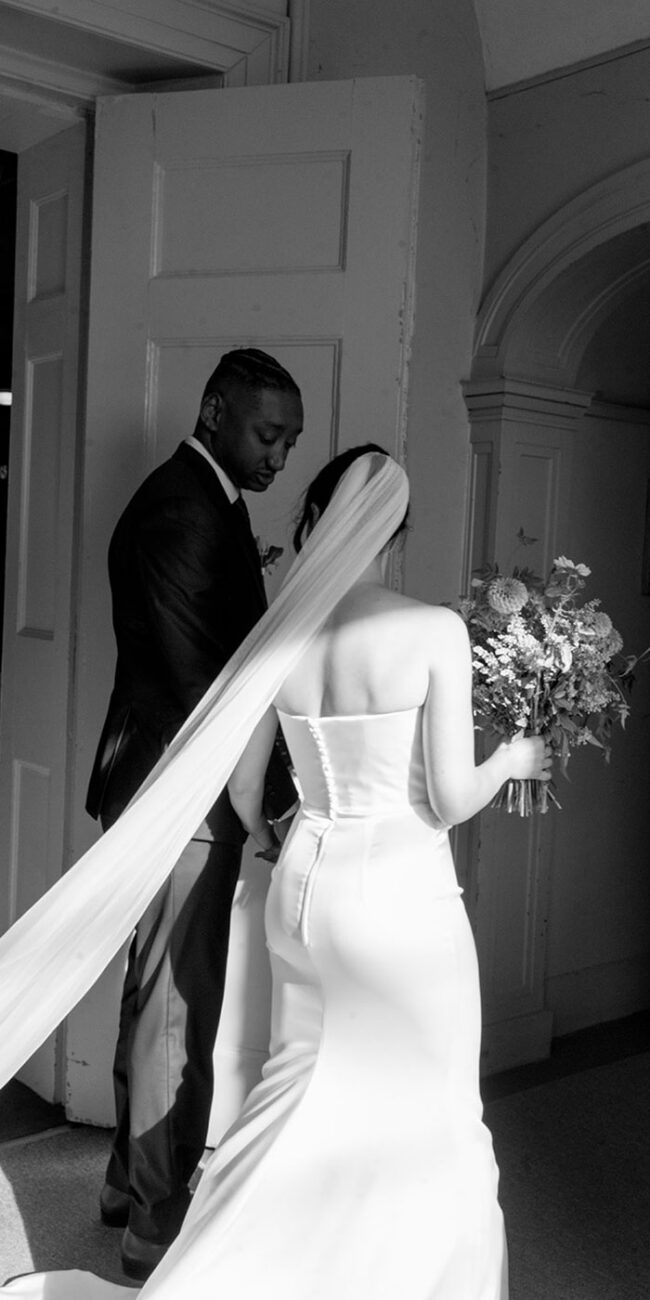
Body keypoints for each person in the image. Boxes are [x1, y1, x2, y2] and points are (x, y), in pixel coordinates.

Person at [0, 446, 551, 1300]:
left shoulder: (280, 638)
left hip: (304, 889)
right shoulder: (433, 629)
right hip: (399, 899)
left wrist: (282, 834)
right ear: (394, 536)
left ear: (316, 523)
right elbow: (445, 799)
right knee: (425, 1104)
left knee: (292, 1095)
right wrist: (513, 757)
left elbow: (246, 782)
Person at [85, 348, 303, 1278]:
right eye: (267, 433)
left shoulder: (203, 498)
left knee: (153, 993)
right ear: (216, 410)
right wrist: (273, 798)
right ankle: (154, 1219)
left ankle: (123, 1185)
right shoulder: (183, 508)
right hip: (181, 792)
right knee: (177, 1003)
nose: (280, 455)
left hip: (160, 785)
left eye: (290, 441)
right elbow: (200, 683)